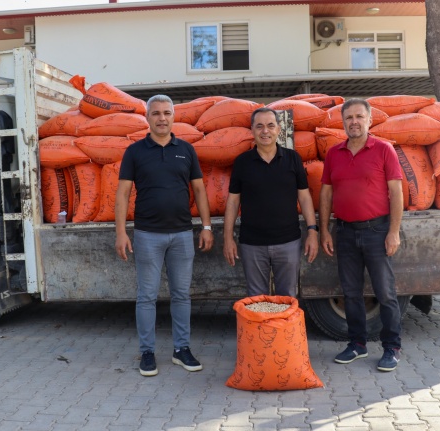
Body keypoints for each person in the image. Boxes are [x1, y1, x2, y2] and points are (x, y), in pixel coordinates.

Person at [115, 94, 214, 377]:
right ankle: (147, 353)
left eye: (167, 113)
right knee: (146, 296)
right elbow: (122, 194)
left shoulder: (186, 150)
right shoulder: (134, 152)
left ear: (174, 117)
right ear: (147, 118)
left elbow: (199, 190)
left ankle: (181, 349)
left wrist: (206, 227)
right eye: (156, 113)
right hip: (147, 235)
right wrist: (121, 232)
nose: (161, 118)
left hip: (182, 234)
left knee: (182, 295)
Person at [318, 98, 404, 372]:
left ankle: (391, 347)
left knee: (385, 293)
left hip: (377, 232)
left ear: (369, 120)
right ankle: (358, 344)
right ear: (343, 123)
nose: (354, 122)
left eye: (359, 117)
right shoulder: (334, 153)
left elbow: (396, 193)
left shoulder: (383, 150)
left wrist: (393, 232)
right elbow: (326, 193)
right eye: (349, 118)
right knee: (351, 292)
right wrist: (323, 230)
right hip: (344, 231)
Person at [223, 107, 318, 297]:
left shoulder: (293, 159)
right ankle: (261, 329)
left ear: (278, 129)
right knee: (257, 299)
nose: (265, 131)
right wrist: (227, 238)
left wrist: (312, 231)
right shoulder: (242, 162)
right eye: (259, 126)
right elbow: (233, 202)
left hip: (288, 242)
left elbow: (304, 196)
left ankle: (283, 329)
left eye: (270, 125)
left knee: (288, 297)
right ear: (252, 130)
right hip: (252, 243)